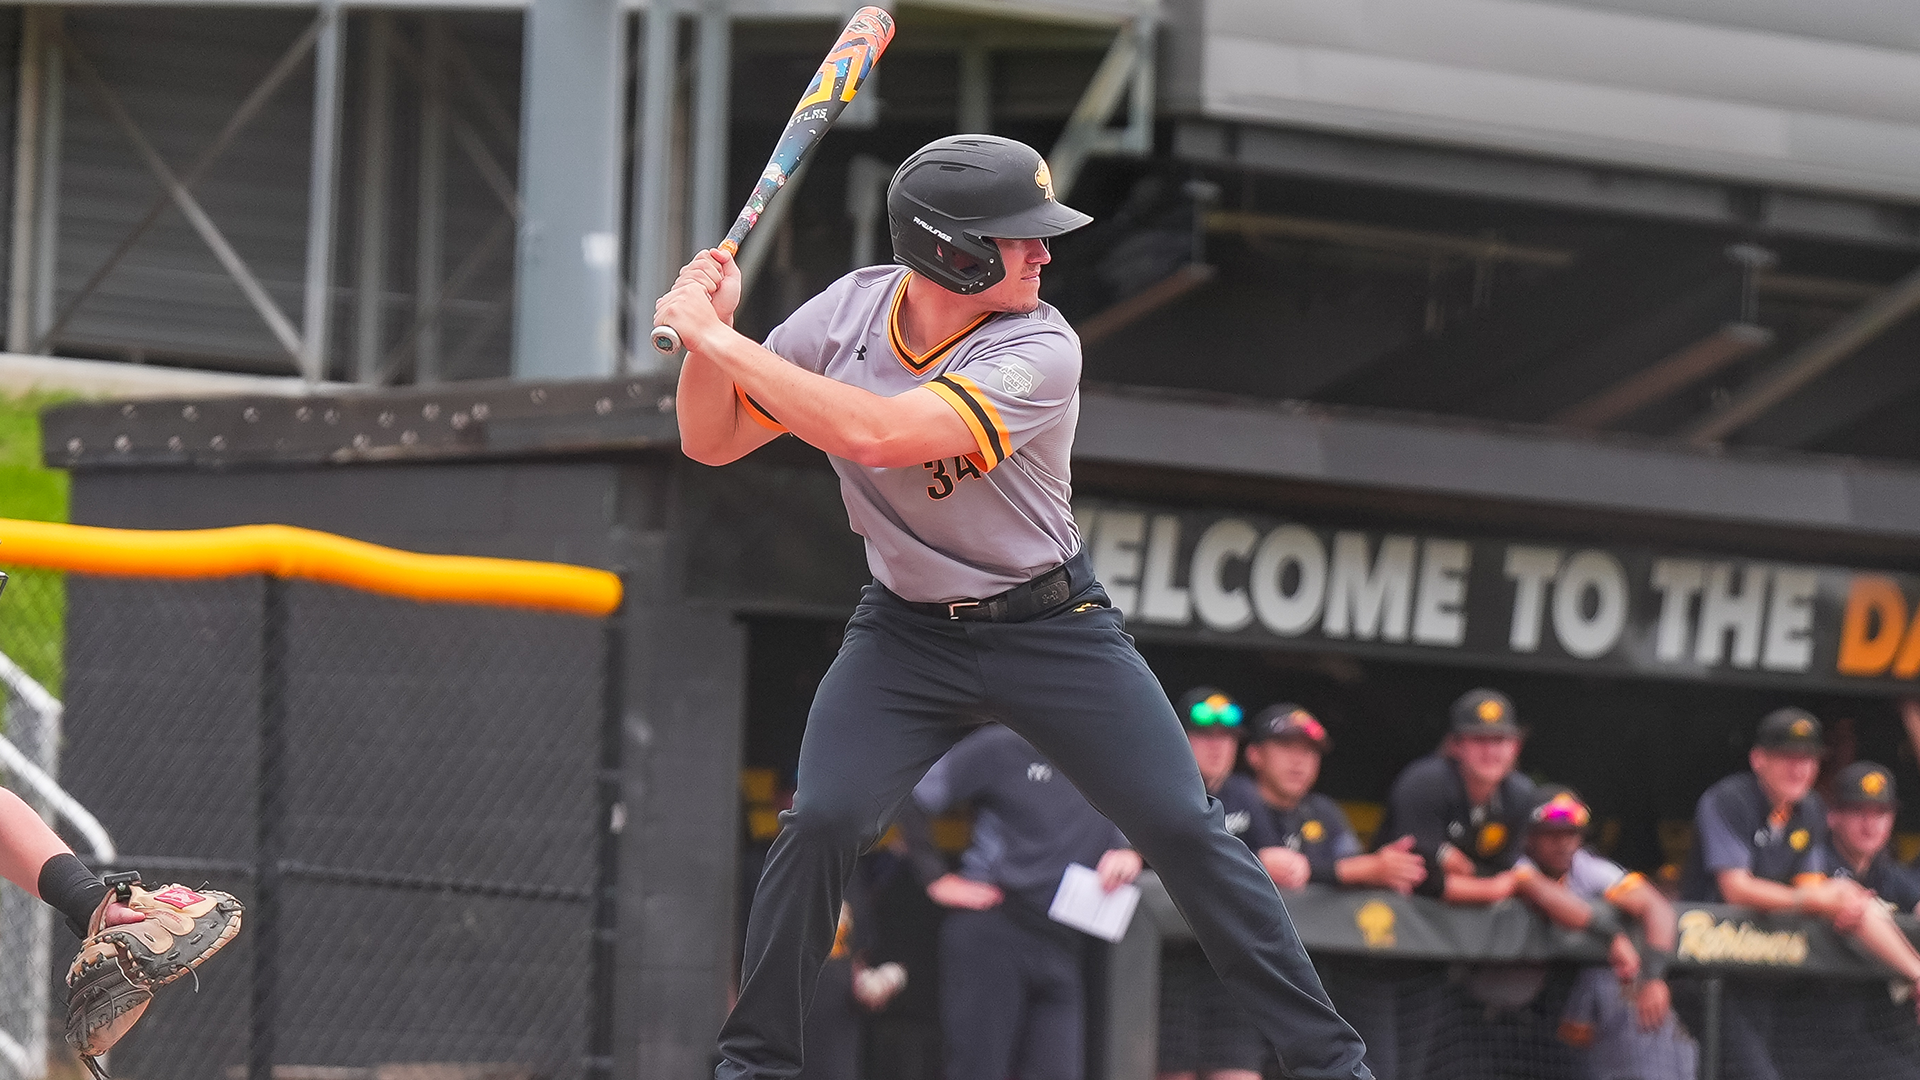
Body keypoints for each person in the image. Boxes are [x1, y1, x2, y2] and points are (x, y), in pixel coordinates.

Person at [657, 133, 1375, 1080]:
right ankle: (752, 1070)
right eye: (1020, 237)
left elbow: (879, 436)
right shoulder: (850, 312)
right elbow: (710, 441)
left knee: (1186, 832)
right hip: (905, 633)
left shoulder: (1041, 344)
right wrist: (713, 343)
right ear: (950, 248)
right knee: (822, 819)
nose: (1044, 252)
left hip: (1050, 626)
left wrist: (720, 340)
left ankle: (1333, 1069)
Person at [1682, 709, 1920, 1080]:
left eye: (1808, 759)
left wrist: (1836, 903)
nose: (1800, 769)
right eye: (1788, 758)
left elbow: (1811, 884)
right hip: (1705, 966)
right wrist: (1813, 902)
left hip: (1762, 969)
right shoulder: (1730, 799)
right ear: (1759, 759)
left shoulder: (1808, 808)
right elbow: (1736, 888)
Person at [900, 724, 1139, 1080]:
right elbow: (912, 796)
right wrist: (935, 878)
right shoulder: (1003, 745)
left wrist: (1129, 849)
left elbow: (1148, 819)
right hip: (995, 928)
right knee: (978, 1071)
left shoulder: (1110, 756)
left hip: (1064, 940)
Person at [1240, 704, 1427, 1080]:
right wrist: (1360, 869)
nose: (1299, 761)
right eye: (1286, 747)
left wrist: (1364, 870)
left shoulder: (1322, 811)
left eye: (1309, 751)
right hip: (1242, 980)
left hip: (1320, 978)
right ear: (1255, 754)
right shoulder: (1237, 798)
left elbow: (1351, 872)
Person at [1513, 786, 1692, 1080]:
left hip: (1568, 1001)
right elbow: (1546, 895)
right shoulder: (1516, 862)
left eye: (1571, 834)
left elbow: (1657, 907)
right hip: (1507, 996)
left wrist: (1656, 978)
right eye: (1552, 834)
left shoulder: (1585, 866)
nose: (1564, 843)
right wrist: (1613, 937)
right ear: (1529, 836)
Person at [1157, 688, 1265, 1080]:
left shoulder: (1245, 795)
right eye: (1205, 736)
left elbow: (1272, 865)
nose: (1218, 747)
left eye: (1227, 738)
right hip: (1170, 961)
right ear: (1179, 736)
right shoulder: (1154, 786)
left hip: (1232, 964)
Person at [1803, 762, 1920, 1080]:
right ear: (1833, 816)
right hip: (1804, 1027)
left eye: (1881, 813)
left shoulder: (1885, 870)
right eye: (1859, 812)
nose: (1871, 825)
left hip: (1867, 1028)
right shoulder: (1813, 861)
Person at [1377, 688, 1537, 904]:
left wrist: (1493, 883)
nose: (1490, 751)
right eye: (1479, 740)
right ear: (1456, 745)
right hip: (1400, 912)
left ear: (1515, 747)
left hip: (1478, 921)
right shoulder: (1425, 781)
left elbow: (1505, 869)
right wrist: (1491, 890)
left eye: (1499, 740)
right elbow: (1415, 876)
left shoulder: (1520, 794)